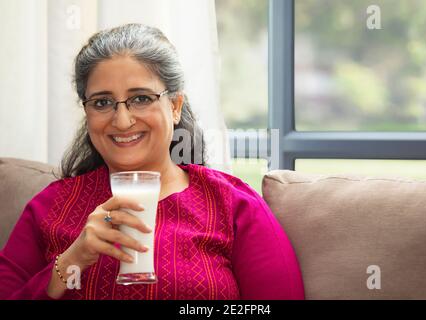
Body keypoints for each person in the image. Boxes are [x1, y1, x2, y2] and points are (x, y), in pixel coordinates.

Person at [0, 24, 304, 300]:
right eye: (102, 102)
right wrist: (70, 262)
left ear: (174, 106)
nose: (122, 120)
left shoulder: (232, 205)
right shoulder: (50, 207)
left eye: (141, 98)